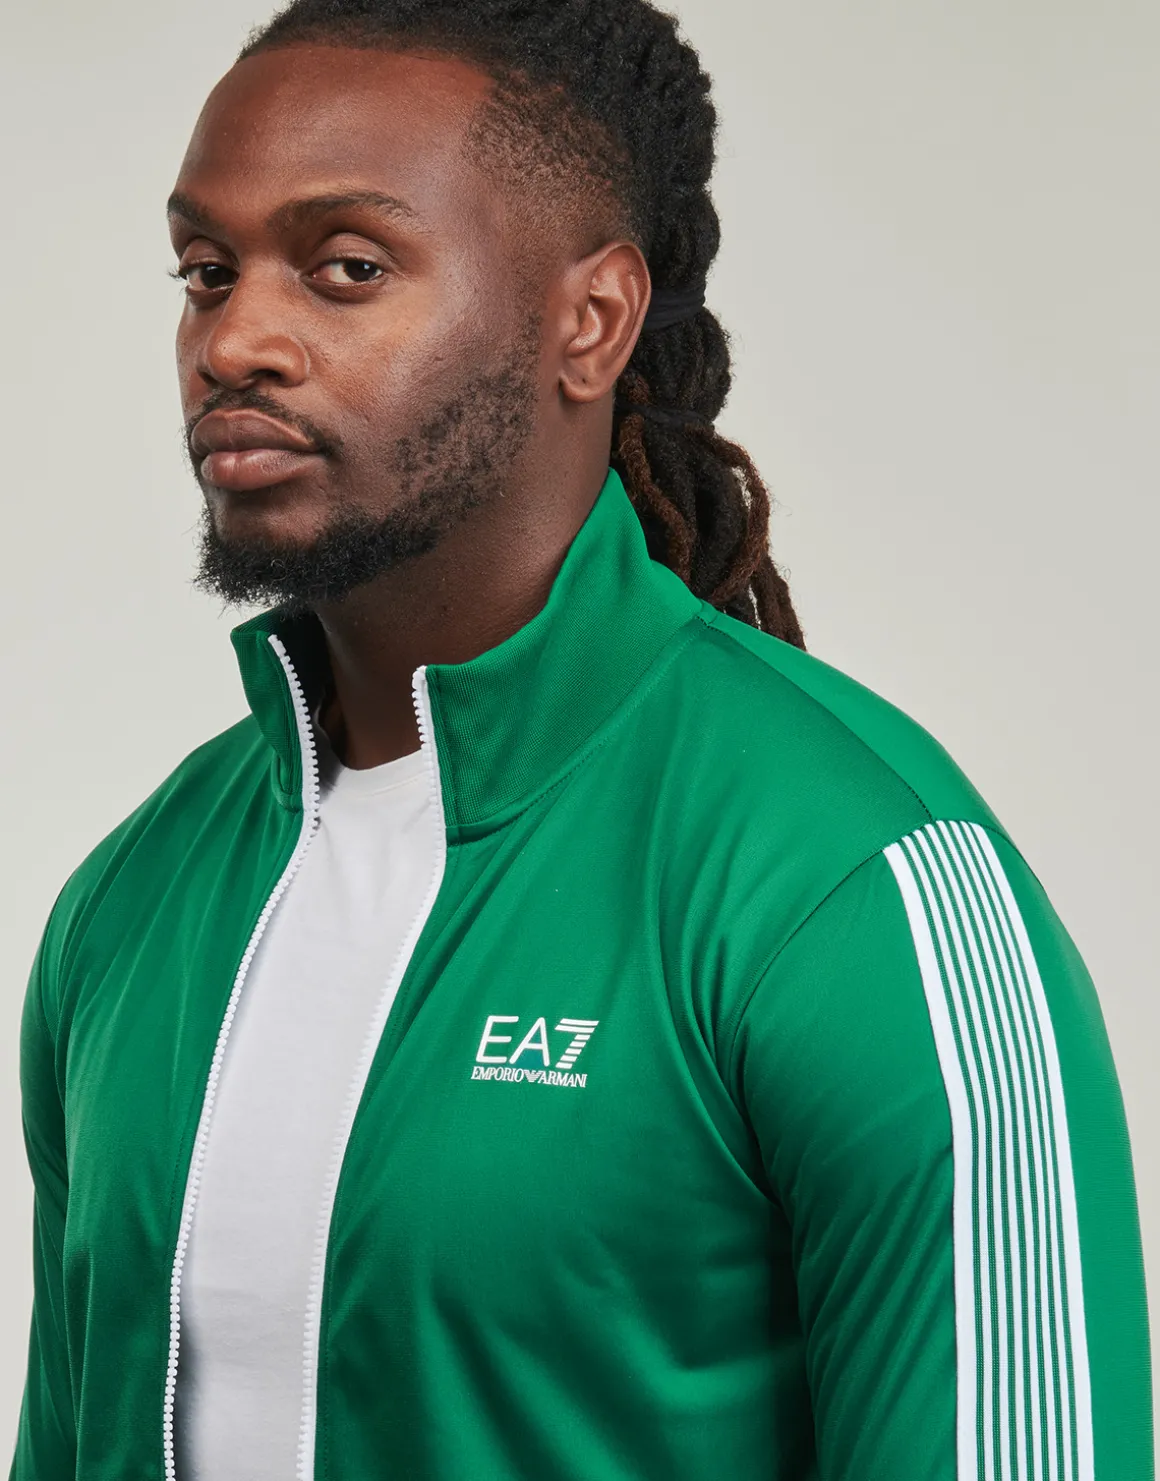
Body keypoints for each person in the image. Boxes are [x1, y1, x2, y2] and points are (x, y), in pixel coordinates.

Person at [12, 0, 1151, 1477]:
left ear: (592, 320)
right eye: (205, 273)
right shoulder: (129, 907)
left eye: (348, 268)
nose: (235, 341)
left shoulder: (852, 879)